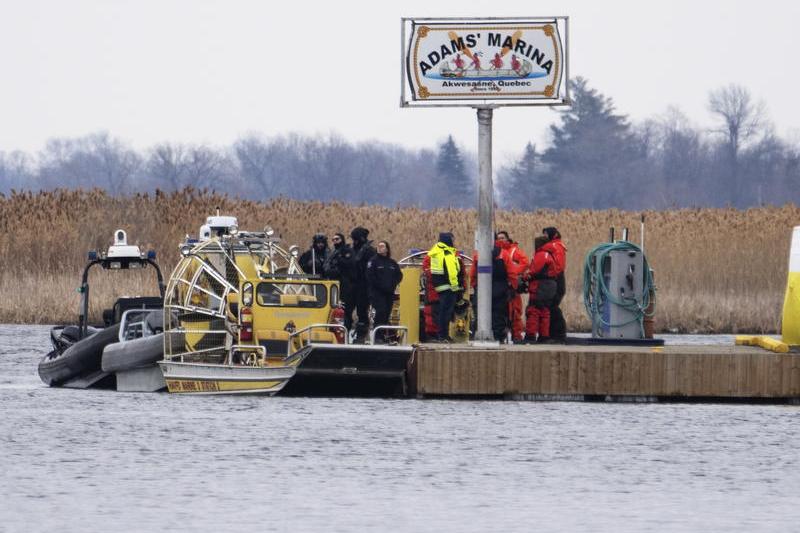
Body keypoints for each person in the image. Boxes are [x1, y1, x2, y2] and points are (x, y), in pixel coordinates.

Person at [427, 232, 462, 342]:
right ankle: (443, 335)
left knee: (443, 312)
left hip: (440, 286)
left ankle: (442, 335)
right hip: (448, 286)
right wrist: (456, 287)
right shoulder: (447, 252)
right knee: (446, 313)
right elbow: (451, 272)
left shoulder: (437, 252)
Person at [343, 226, 376, 342]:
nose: (354, 242)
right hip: (351, 285)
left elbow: (372, 270)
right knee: (347, 311)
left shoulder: (370, 251)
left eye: (356, 239)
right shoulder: (350, 250)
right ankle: (343, 333)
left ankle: (361, 336)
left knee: (362, 311)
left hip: (363, 286)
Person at [366, 241, 403, 343]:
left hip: (389, 293)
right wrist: (381, 286)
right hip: (377, 293)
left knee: (386, 313)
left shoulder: (392, 263)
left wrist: (392, 285)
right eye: (378, 246)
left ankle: (384, 335)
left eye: (382, 246)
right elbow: (370, 277)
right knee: (380, 312)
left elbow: (399, 275)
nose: (379, 248)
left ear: (387, 249)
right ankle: (377, 336)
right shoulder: (373, 261)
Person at [495, 231, 529, 342]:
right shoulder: (495, 252)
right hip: (501, 287)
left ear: (507, 239)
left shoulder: (514, 251)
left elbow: (525, 263)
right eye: (498, 238)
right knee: (501, 313)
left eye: (503, 238)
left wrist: (512, 271)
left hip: (512, 288)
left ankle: (517, 336)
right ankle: (501, 336)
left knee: (515, 312)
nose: (500, 240)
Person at [522, 236, 557, 343]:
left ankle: (530, 336)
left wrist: (525, 276)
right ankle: (544, 336)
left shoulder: (541, 254)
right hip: (550, 286)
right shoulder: (549, 254)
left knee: (533, 310)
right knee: (545, 311)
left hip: (540, 286)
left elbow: (534, 271)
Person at [541, 227, 567, 342]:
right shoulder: (556, 245)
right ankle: (554, 334)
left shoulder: (555, 246)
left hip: (556, 280)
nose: (544, 237)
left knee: (552, 307)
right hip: (555, 280)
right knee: (550, 307)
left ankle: (558, 334)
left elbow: (559, 266)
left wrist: (547, 274)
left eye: (546, 235)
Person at [490, 245, 510, 341]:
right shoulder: (504, 254)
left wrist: (474, 284)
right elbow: (511, 271)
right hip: (501, 288)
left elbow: (474, 271)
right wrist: (512, 286)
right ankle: (498, 336)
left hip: (485, 288)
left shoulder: (479, 253)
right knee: (499, 313)